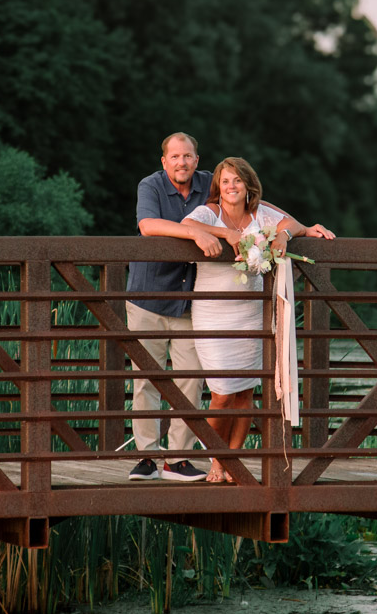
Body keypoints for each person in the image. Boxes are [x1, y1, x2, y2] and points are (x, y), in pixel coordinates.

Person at [182, 157, 335, 483]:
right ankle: (216, 458)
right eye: (225, 181)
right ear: (218, 186)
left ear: (248, 185)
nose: (231, 186)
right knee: (222, 393)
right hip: (213, 313)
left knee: (244, 393)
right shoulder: (208, 213)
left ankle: (230, 462)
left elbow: (292, 224)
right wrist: (226, 234)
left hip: (252, 313)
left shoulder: (259, 214)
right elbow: (187, 226)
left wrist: (285, 236)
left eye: (237, 180)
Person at [126, 132, 220, 481]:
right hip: (147, 298)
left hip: (189, 301)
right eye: (175, 157)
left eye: (188, 156)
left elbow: (250, 200)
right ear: (164, 161)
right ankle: (147, 458)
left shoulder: (210, 183)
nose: (182, 162)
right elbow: (148, 226)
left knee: (191, 381)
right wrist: (195, 232)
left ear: (197, 160)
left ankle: (178, 460)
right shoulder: (150, 185)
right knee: (146, 381)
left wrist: (299, 228)